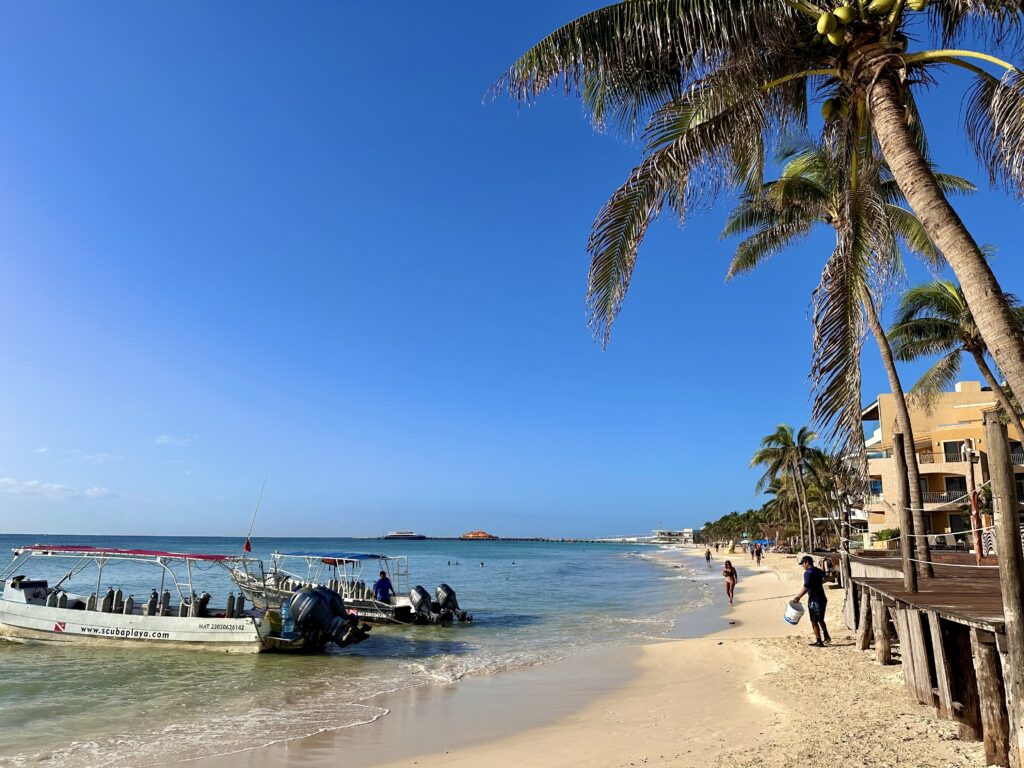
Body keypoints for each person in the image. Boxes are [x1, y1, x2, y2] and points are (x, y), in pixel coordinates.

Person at [793, 555, 831, 647]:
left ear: (807, 563)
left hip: (814, 600)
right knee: (820, 619)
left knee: (814, 620)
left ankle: (819, 641)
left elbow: (806, 586)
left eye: (803, 564)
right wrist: (822, 563)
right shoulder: (817, 571)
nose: (803, 566)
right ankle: (826, 635)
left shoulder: (808, 573)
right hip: (822, 598)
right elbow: (824, 573)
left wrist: (798, 597)